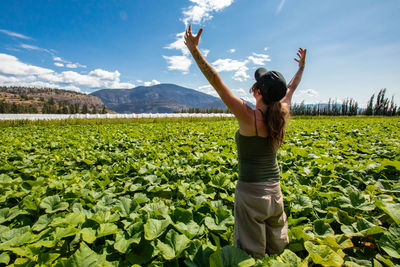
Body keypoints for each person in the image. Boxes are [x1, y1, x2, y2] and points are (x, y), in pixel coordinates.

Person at [184, 25, 306, 259]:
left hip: (251, 194)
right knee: (277, 249)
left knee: (251, 255)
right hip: (275, 192)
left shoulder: (249, 117)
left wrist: (194, 51)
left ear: (257, 91)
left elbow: (216, 82)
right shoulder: (281, 113)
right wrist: (301, 68)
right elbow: (291, 88)